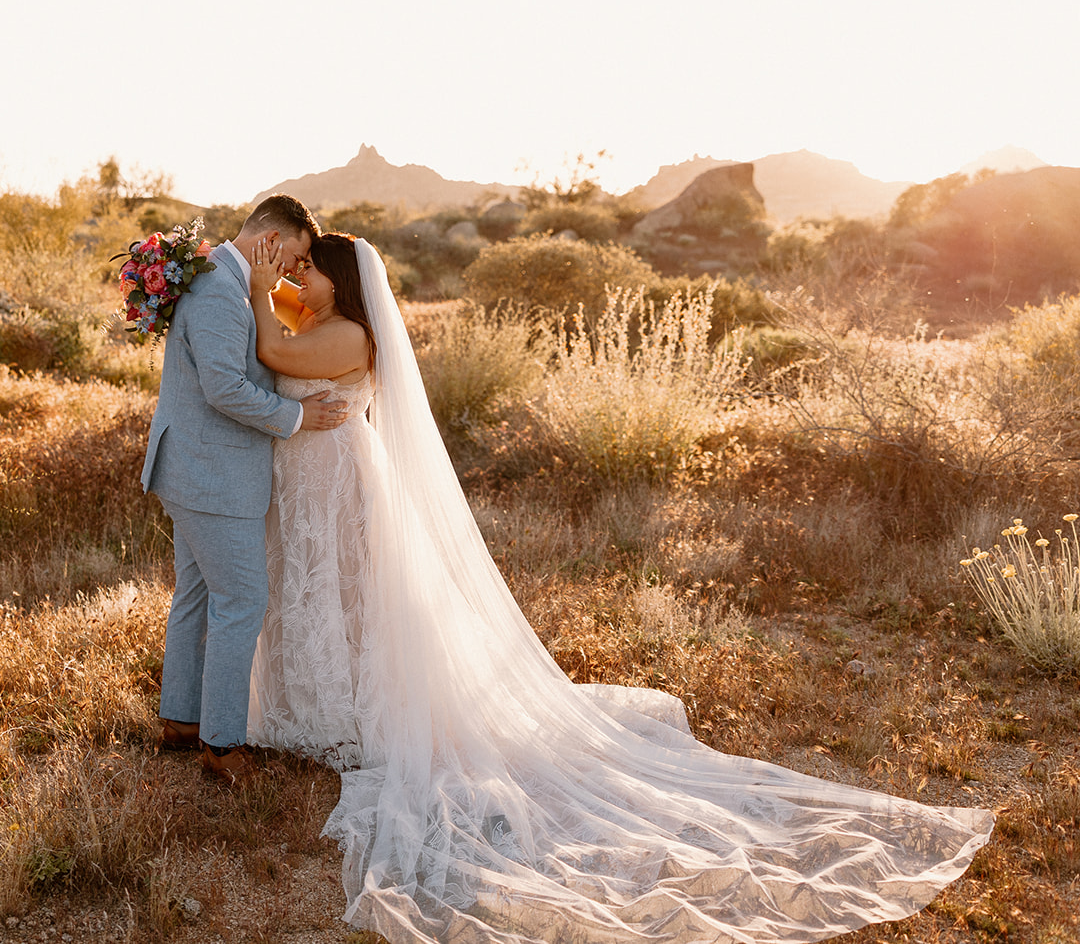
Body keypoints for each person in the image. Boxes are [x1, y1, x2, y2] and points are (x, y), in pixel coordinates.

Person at [243, 232, 995, 944]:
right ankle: (318, 705)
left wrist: (249, 277)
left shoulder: (343, 333)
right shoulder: (317, 316)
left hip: (340, 479)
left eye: (307, 268)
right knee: (329, 594)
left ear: (341, 281)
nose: (295, 277)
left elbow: (273, 346)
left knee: (348, 596)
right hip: (319, 481)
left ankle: (341, 714)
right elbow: (274, 340)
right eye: (295, 268)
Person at [141, 193, 349, 783]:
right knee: (242, 602)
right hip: (213, 475)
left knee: (198, 595)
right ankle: (223, 744)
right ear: (271, 238)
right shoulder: (217, 290)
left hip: (195, 469)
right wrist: (298, 418)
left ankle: (181, 722)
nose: (293, 269)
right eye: (296, 254)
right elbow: (225, 389)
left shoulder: (231, 280)